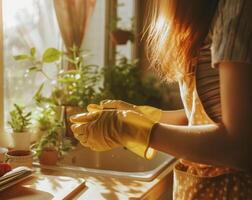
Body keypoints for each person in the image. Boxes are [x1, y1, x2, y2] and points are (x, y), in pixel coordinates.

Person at [70, 0, 252, 199]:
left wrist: (131, 128)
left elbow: (240, 146)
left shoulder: (238, 9)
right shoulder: (213, 14)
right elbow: (207, 118)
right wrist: (144, 117)